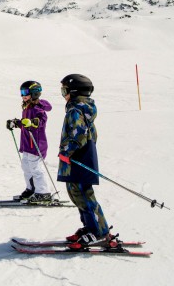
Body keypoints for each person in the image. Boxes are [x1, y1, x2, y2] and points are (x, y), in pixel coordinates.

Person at [57, 74, 111, 248]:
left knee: (83, 195)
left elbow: (78, 133)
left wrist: (67, 150)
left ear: (73, 92)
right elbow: (91, 135)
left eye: (64, 90)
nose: (63, 94)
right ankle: (90, 227)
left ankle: (98, 232)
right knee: (77, 194)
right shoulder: (82, 109)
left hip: (78, 158)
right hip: (80, 157)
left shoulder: (75, 110)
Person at [6, 81, 53, 203]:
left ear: (34, 93)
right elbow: (25, 123)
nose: (23, 95)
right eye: (21, 93)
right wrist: (16, 123)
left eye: (25, 92)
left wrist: (33, 123)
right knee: (26, 167)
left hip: (36, 144)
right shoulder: (27, 107)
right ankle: (31, 189)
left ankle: (43, 193)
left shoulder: (38, 108)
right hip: (27, 144)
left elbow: (41, 121)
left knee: (36, 168)